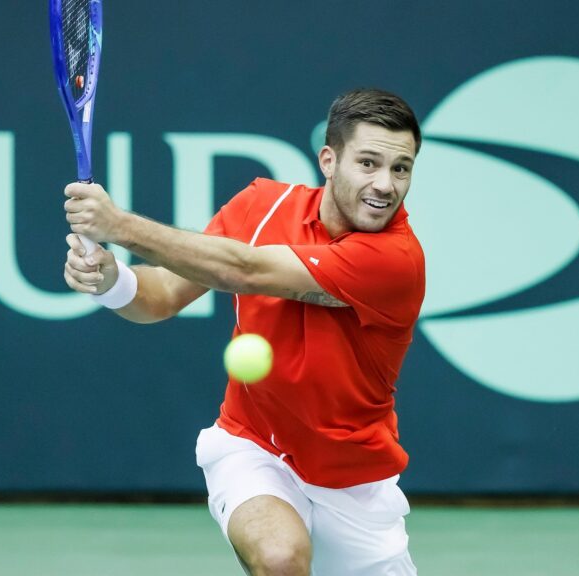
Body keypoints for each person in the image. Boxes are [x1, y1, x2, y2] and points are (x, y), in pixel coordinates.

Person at [63, 88, 424, 575]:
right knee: (279, 558)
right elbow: (163, 295)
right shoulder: (262, 206)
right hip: (253, 445)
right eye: (368, 163)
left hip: (354, 483)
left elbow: (246, 270)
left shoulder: (395, 260)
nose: (385, 184)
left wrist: (120, 226)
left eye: (400, 168)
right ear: (329, 160)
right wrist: (112, 282)